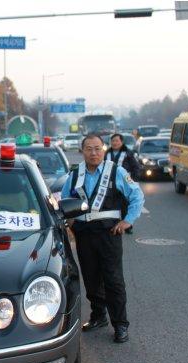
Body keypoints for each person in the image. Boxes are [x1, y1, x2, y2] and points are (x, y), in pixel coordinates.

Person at [61, 134, 144, 343]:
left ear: (103, 149)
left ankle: (120, 324)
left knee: (113, 279)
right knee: (91, 278)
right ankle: (99, 316)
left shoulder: (116, 171)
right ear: (82, 151)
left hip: (109, 234)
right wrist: (70, 222)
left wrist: (128, 221)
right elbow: (63, 200)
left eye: (97, 148)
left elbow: (137, 196)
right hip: (84, 234)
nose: (93, 153)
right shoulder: (74, 174)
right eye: (89, 148)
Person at [105, 133, 141, 234]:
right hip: (109, 185)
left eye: (117, 141)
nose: (115, 143)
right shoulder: (107, 153)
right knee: (112, 205)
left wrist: (133, 179)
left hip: (124, 184)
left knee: (125, 205)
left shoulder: (128, 153)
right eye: (113, 141)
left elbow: (136, 167)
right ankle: (114, 225)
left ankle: (128, 226)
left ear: (122, 142)